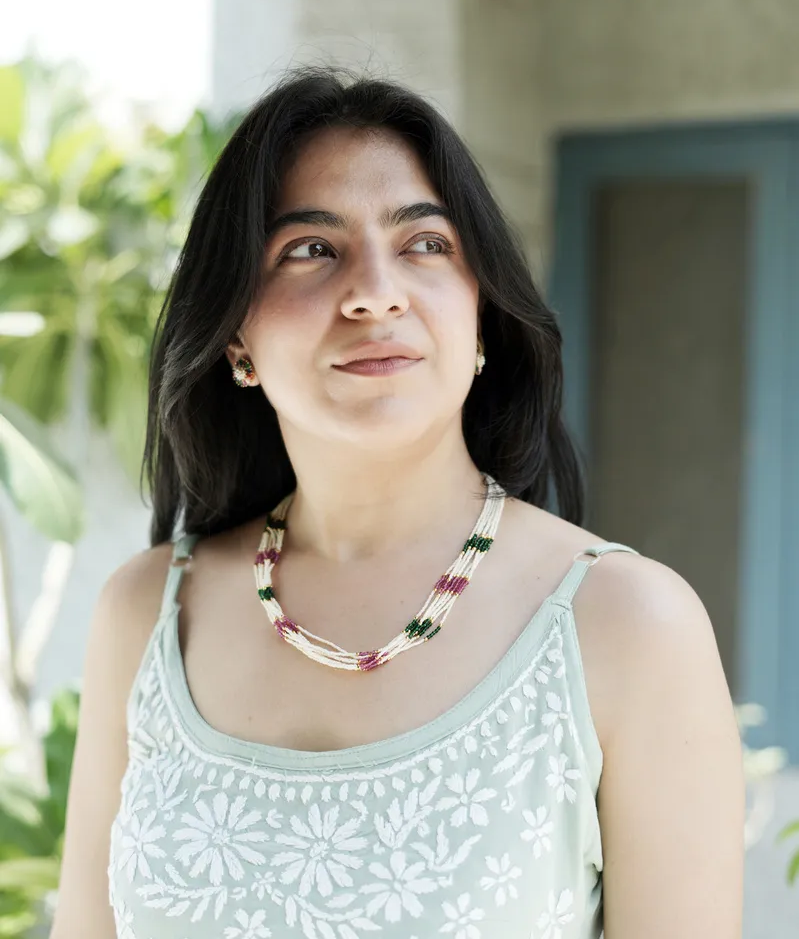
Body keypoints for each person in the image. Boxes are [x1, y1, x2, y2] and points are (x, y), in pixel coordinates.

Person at [52, 66, 744, 939]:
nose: (376, 292)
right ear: (236, 339)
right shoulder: (148, 612)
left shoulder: (626, 623)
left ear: (482, 313)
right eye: (310, 248)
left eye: (425, 245)